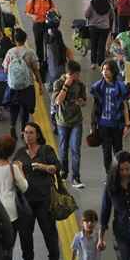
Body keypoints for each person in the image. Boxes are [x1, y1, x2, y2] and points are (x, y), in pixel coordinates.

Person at [13, 122, 61, 260]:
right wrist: (18, 169)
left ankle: (53, 259)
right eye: (25, 133)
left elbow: (56, 167)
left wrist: (43, 167)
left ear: (38, 135)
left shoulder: (46, 150)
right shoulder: (20, 152)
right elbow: (14, 174)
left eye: (31, 133)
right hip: (26, 200)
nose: (27, 136)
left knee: (48, 230)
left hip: (43, 198)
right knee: (25, 232)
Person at [90, 60, 130, 176]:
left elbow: (124, 106)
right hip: (104, 125)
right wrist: (93, 125)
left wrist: (127, 124)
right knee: (106, 152)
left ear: (113, 71)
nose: (105, 72)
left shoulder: (120, 86)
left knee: (118, 151)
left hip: (117, 125)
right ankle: (110, 175)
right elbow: (95, 108)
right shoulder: (98, 87)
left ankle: (119, 173)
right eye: (103, 70)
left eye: (107, 70)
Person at [51, 60, 87, 188]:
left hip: (76, 121)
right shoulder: (58, 83)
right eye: (76, 74)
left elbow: (85, 102)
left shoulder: (80, 85)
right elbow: (57, 101)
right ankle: (63, 172)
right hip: (62, 121)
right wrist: (66, 86)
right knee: (63, 148)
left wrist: (81, 102)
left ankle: (76, 177)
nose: (78, 77)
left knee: (75, 149)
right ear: (69, 74)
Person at [2, 28, 42, 140]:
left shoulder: (10, 52)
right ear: (25, 40)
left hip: (13, 85)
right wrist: (40, 84)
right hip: (27, 85)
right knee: (25, 109)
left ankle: (12, 126)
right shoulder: (30, 52)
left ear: (15, 40)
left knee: (14, 107)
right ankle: (23, 131)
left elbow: (5, 70)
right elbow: (36, 69)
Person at [25, 0, 57, 64]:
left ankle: (47, 60)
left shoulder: (49, 0)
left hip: (47, 24)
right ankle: (40, 61)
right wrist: (32, 16)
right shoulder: (33, 0)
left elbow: (53, 8)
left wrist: (51, 11)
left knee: (47, 42)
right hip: (37, 25)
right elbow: (27, 12)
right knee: (38, 44)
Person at [84, 0, 114, 69]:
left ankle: (93, 63)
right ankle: (101, 63)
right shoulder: (108, 4)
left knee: (94, 45)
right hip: (105, 28)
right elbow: (112, 15)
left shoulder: (92, 3)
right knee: (102, 45)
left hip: (93, 28)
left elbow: (86, 14)